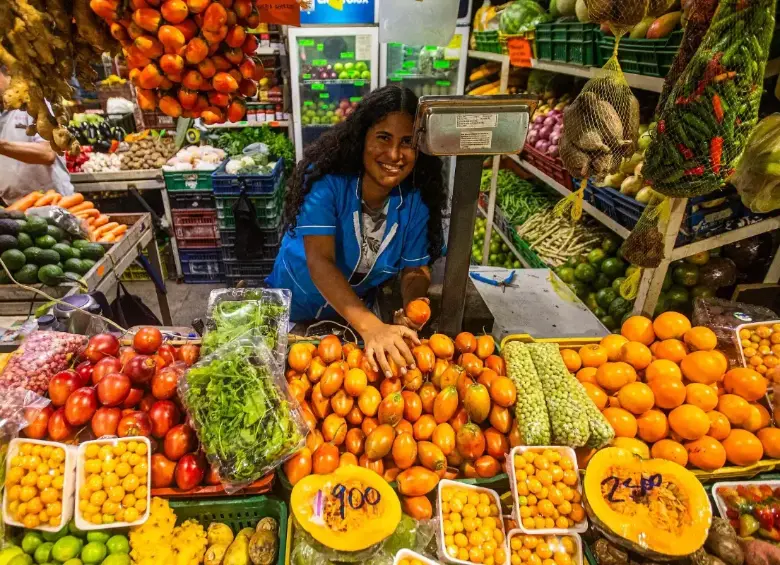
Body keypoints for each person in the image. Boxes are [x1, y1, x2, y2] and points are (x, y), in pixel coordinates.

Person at [267, 86, 447, 377]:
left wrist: (411, 306)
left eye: (407, 142)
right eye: (383, 138)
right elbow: (320, 260)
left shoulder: (415, 201)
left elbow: (415, 269)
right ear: (362, 137)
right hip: (296, 303)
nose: (394, 154)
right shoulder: (328, 183)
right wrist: (372, 327)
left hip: (350, 317)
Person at [0, 68, 74, 205]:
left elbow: (47, 154)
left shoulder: (36, 103)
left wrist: (2, 146)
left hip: (53, 204)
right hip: (15, 209)